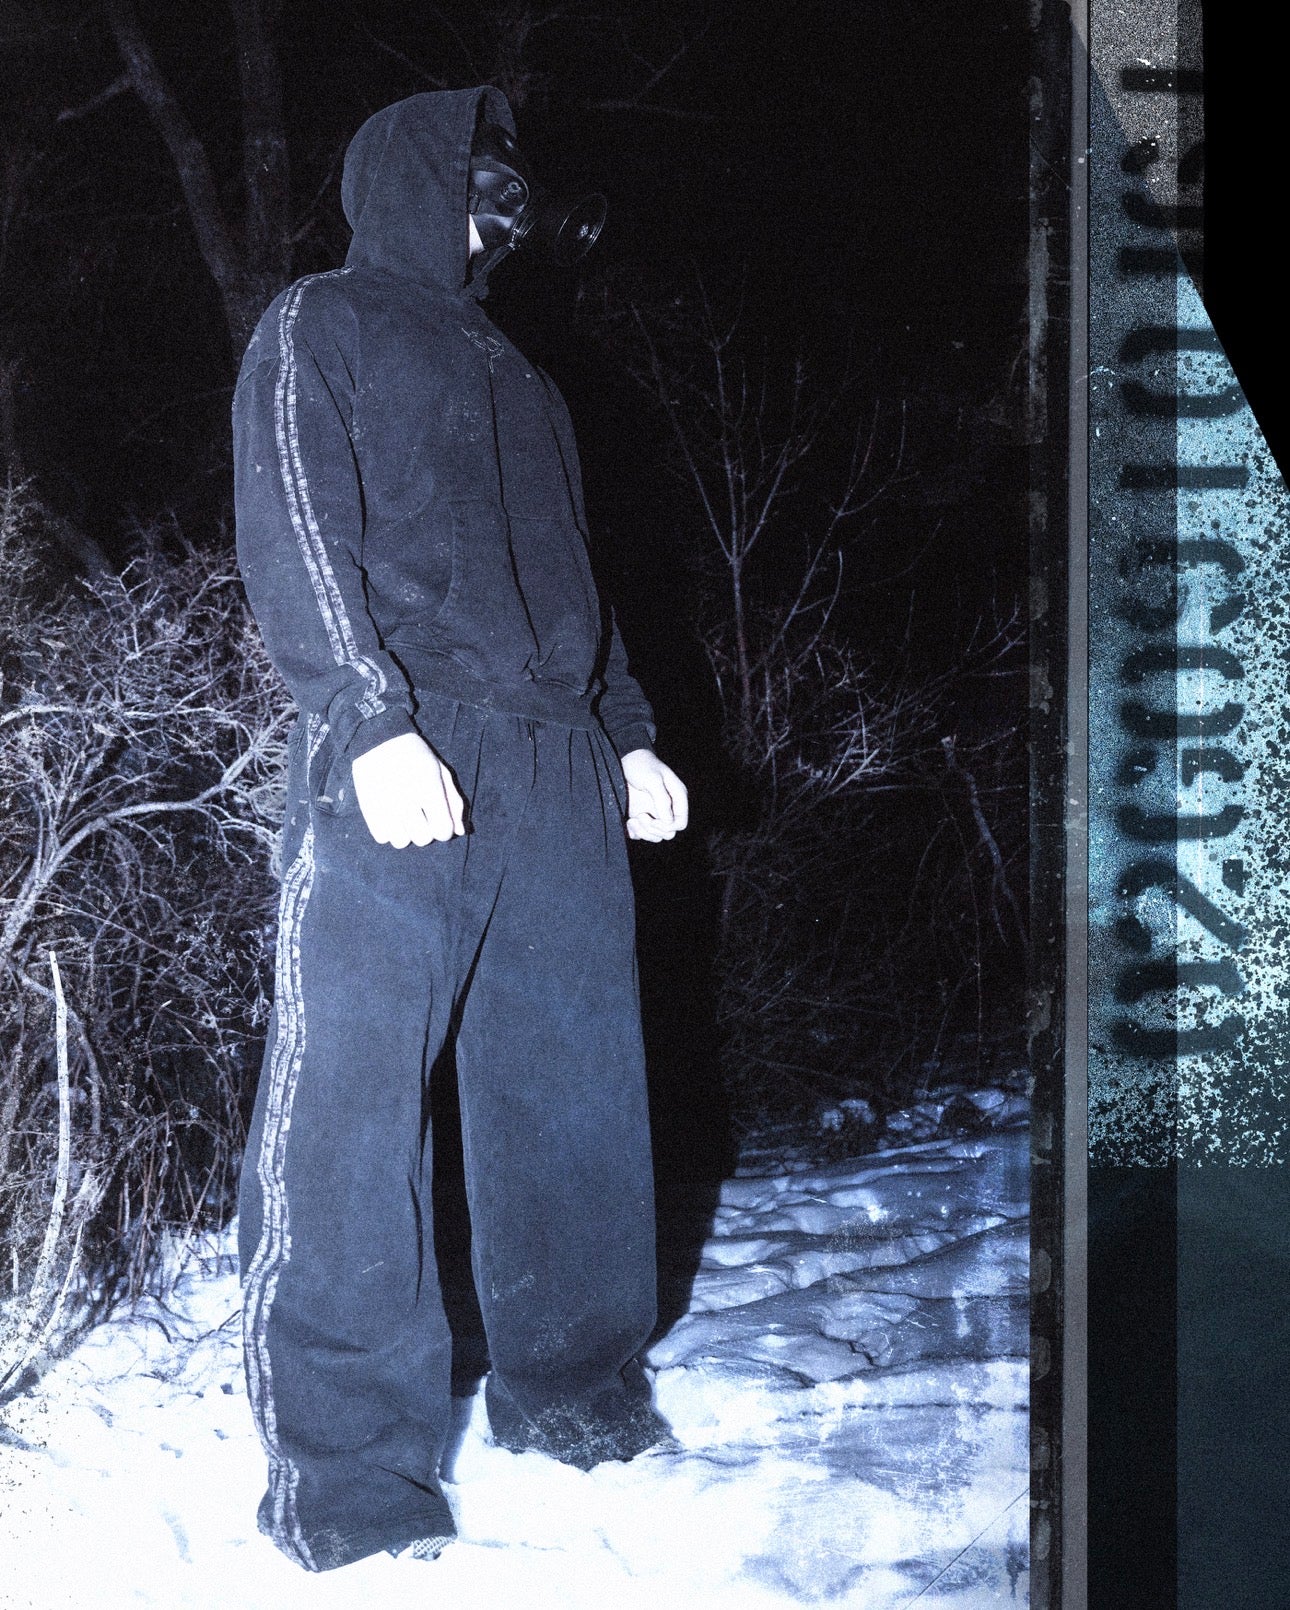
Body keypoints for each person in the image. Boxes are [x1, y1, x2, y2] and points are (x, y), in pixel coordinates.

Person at [231, 86, 688, 1572]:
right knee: (351, 1106)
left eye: (510, 201)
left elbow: (578, 577)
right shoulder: (324, 321)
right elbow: (296, 520)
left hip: (556, 761)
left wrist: (626, 732)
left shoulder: (526, 377)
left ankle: (574, 1394)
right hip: (407, 739)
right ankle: (353, 1485)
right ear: (415, 184)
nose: (499, 223)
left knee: (572, 1091)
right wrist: (367, 718)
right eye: (478, 192)